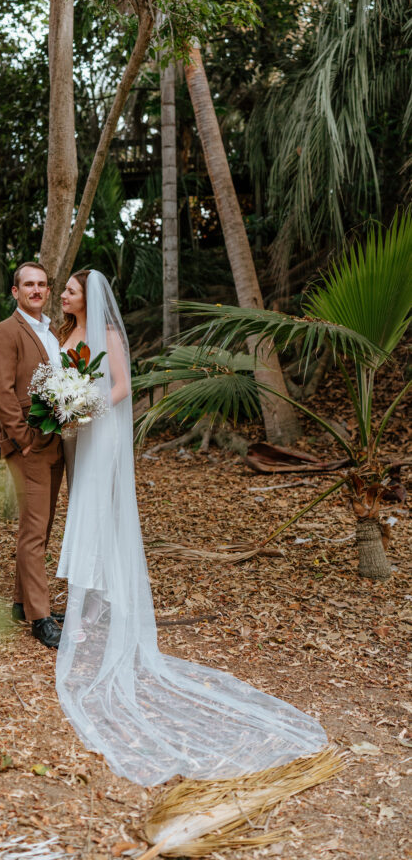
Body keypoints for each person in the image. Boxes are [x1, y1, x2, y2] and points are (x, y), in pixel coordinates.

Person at [55, 269, 328, 786]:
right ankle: (92, 591)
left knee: (97, 508)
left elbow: (121, 387)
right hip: (79, 434)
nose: (63, 294)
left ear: (87, 295)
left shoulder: (107, 334)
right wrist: (64, 407)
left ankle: (91, 599)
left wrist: (82, 407)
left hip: (103, 430)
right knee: (83, 508)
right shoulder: (67, 333)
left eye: (69, 288)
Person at [0, 262, 65, 649]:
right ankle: (40, 618)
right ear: (15, 292)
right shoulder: (3, 332)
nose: (36, 290)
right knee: (34, 532)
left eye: (42, 285)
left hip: (55, 443)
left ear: (48, 291)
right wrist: (22, 439)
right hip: (29, 445)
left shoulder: (52, 333)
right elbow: (0, 393)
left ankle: (22, 604)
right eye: (28, 285)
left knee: (42, 527)